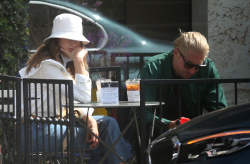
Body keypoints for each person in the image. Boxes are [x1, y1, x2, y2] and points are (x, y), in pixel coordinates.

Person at [19, 13, 132, 164]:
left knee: (106, 123)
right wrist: (78, 61)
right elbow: (84, 98)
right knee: (104, 131)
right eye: (67, 37)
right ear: (56, 40)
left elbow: (74, 100)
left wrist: (89, 119)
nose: (73, 43)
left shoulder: (59, 63)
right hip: (35, 132)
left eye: (76, 39)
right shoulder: (48, 66)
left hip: (51, 127)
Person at [129, 31, 227, 160]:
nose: (192, 71)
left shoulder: (208, 68)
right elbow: (140, 113)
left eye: (198, 67)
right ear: (176, 53)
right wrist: (168, 125)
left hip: (194, 137)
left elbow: (219, 109)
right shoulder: (153, 68)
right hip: (156, 138)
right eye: (188, 65)